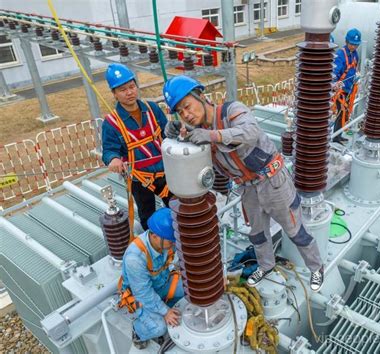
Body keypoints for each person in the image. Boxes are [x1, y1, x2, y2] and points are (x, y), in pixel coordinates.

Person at [162, 76, 325, 292]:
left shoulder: (231, 111)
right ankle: (266, 265)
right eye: (180, 112)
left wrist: (211, 135)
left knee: (295, 230)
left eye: (187, 106)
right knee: (257, 234)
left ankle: (316, 267)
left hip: (273, 181)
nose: (186, 114)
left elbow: (250, 132)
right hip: (248, 189)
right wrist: (173, 134)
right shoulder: (199, 134)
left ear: (201, 96)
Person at [102, 63, 172, 231]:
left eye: (132, 87)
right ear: (114, 94)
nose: (129, 92)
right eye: (122, 89)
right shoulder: (112, 123)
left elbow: (167, 133)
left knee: (177, 207)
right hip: (139, 179)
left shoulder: (152, 109)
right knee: (147, 215)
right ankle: (156, 245)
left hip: (165, 172)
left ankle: (177, 236)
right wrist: (113, 159)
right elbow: (109, 150)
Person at [119, 208, 183, 349]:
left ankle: (164, 305)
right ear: (154, 236)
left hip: (162, 283)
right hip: (142, 296)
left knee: (190, 286)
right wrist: (165, 312)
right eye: (171, 241)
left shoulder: (166, 241)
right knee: (159, 328)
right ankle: (138, 331)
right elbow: (143, 294)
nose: (173, 244)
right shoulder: (135, 258)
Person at [332, 28, 361, 143]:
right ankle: (335, 138)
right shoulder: (341, 54)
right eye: (352, 44)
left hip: (349, 89)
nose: (353, 47)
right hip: (340, 91)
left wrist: (356, 76)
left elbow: (354, 68)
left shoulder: (354, 54)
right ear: (346, 42)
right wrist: (335, 83)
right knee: (340, 113)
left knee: (346, 113)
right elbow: (335, 72)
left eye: (356, 45)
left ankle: (339, 135)